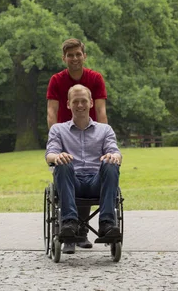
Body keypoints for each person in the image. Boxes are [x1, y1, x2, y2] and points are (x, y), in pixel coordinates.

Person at [46, 38, 108, 253]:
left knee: (90, 169)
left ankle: (80, 232)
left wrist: (103, 142)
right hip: (66, 134)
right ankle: (70, 231)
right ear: (64, 58)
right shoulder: (56, 81)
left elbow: (100, 112)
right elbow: (52, 112)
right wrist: (56, 142)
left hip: (90, 133)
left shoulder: (95, 79)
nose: (74, 58)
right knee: (68, 172)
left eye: (77, 54)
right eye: (70, 55)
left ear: (84, 56)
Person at [45, 84, 122, 245]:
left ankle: (107, 223)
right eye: (75, 102)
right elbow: (49, 155)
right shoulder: (58, 130)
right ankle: (69, 222)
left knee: (111, 164)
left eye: (83, 101)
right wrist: (58, 156)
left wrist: (113, 156)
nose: (80, 105)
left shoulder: (105, 130)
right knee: (62, 163)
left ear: (91, 103)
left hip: (97, 182)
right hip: (71, 181)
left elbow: (116, 153)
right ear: (68, 104)